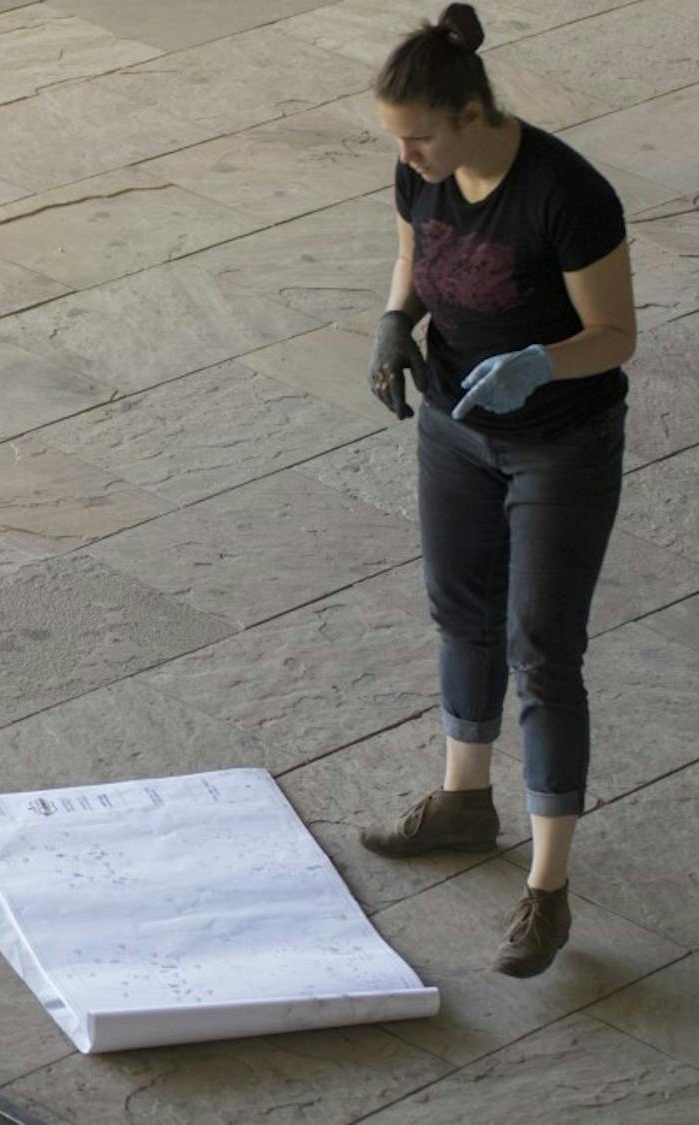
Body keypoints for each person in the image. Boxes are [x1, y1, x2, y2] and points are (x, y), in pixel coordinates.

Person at [360, 3, 636, 978]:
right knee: (461, 615)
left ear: (472, 113)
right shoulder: (422, 170)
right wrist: (395, 323)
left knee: (543, 651)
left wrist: (540, 363)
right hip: (453, 425)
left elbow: (615, 335)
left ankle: (548, 889)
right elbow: (412, 252)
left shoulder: (568, 194)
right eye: (398, 139)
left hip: (558, 445)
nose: (407, 157)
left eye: (421, 137)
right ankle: (464, 801)